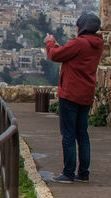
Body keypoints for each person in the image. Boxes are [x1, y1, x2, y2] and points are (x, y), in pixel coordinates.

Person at [44, 12, 104, 183]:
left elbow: (56, 56)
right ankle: (83, 172)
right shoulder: (97, 44)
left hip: (70, 93)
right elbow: (71, 55)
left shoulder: (79, 43)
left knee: (68, 134)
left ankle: (68, 172)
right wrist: (59, 45)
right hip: (86, 94)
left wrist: (50, 43)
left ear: (81, 27)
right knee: (82, 134)